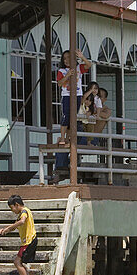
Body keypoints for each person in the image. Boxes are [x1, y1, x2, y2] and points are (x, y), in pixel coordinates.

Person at [54, 49, 91, 181]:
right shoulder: (62, 71)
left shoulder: (78, 68)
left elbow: (89, 65)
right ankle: (63, 137)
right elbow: (59, 83)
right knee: (66, 117)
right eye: (64, 59)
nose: (67, 61)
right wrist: (68, 75)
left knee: (73, 117)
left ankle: (69, 137)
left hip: (77, 94)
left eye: (69, 58)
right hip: (66, 95)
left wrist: (82, 57)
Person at [0, 195, 37, 275]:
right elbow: (15, 225)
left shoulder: (24, 211)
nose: (12, 211)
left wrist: (8, 229)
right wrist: (4, 230)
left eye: (12, 208)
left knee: (17, 262)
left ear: (17, 205)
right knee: (19, 263)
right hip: (28, 241)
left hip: (28, 241)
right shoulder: (21, 214)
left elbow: (22, 221)